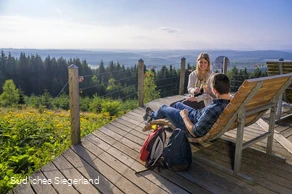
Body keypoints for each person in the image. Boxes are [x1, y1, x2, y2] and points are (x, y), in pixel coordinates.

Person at [143, 73, 231, 137]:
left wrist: (184, 116)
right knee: (177, 104)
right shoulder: (231, 102)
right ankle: (169, 119)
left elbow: (195, 132)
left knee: (163, 108)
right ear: (228, 87)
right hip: (197, 114)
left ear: (215, 91)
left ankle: (152, 115)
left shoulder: (213, 110)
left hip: (190, 121)